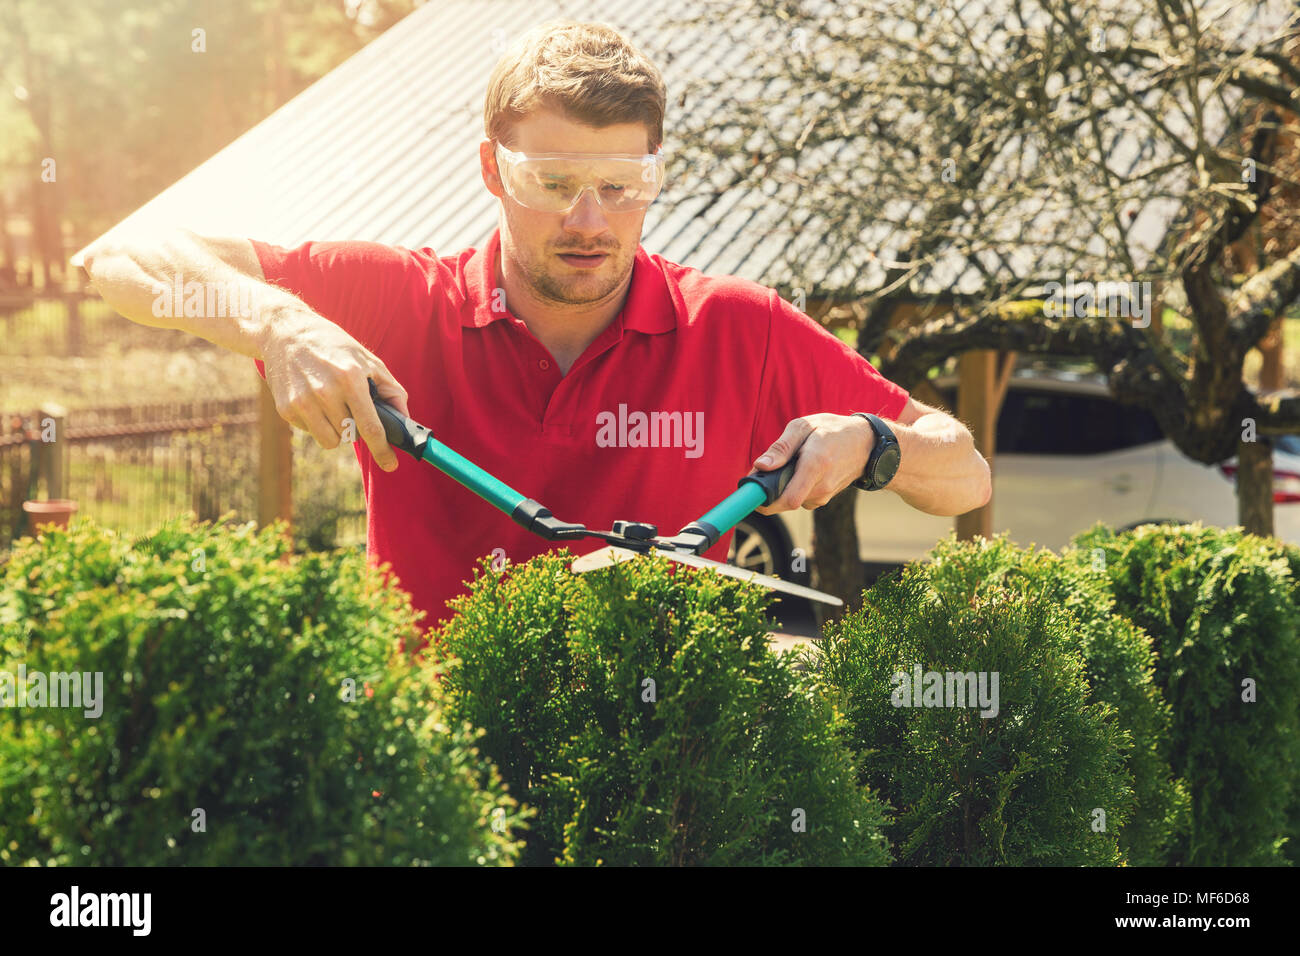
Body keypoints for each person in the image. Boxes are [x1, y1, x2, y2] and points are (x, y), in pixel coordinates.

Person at [83, 19, 990, 643]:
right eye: (554, 183)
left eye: (622, 185)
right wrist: (281, 325)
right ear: (492, 168)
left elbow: (964, 469)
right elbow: (122, 253)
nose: (590, 220)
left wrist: (871, 442)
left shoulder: (737, 327)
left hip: (657, 795)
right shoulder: (401, 300)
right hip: (438, 791)